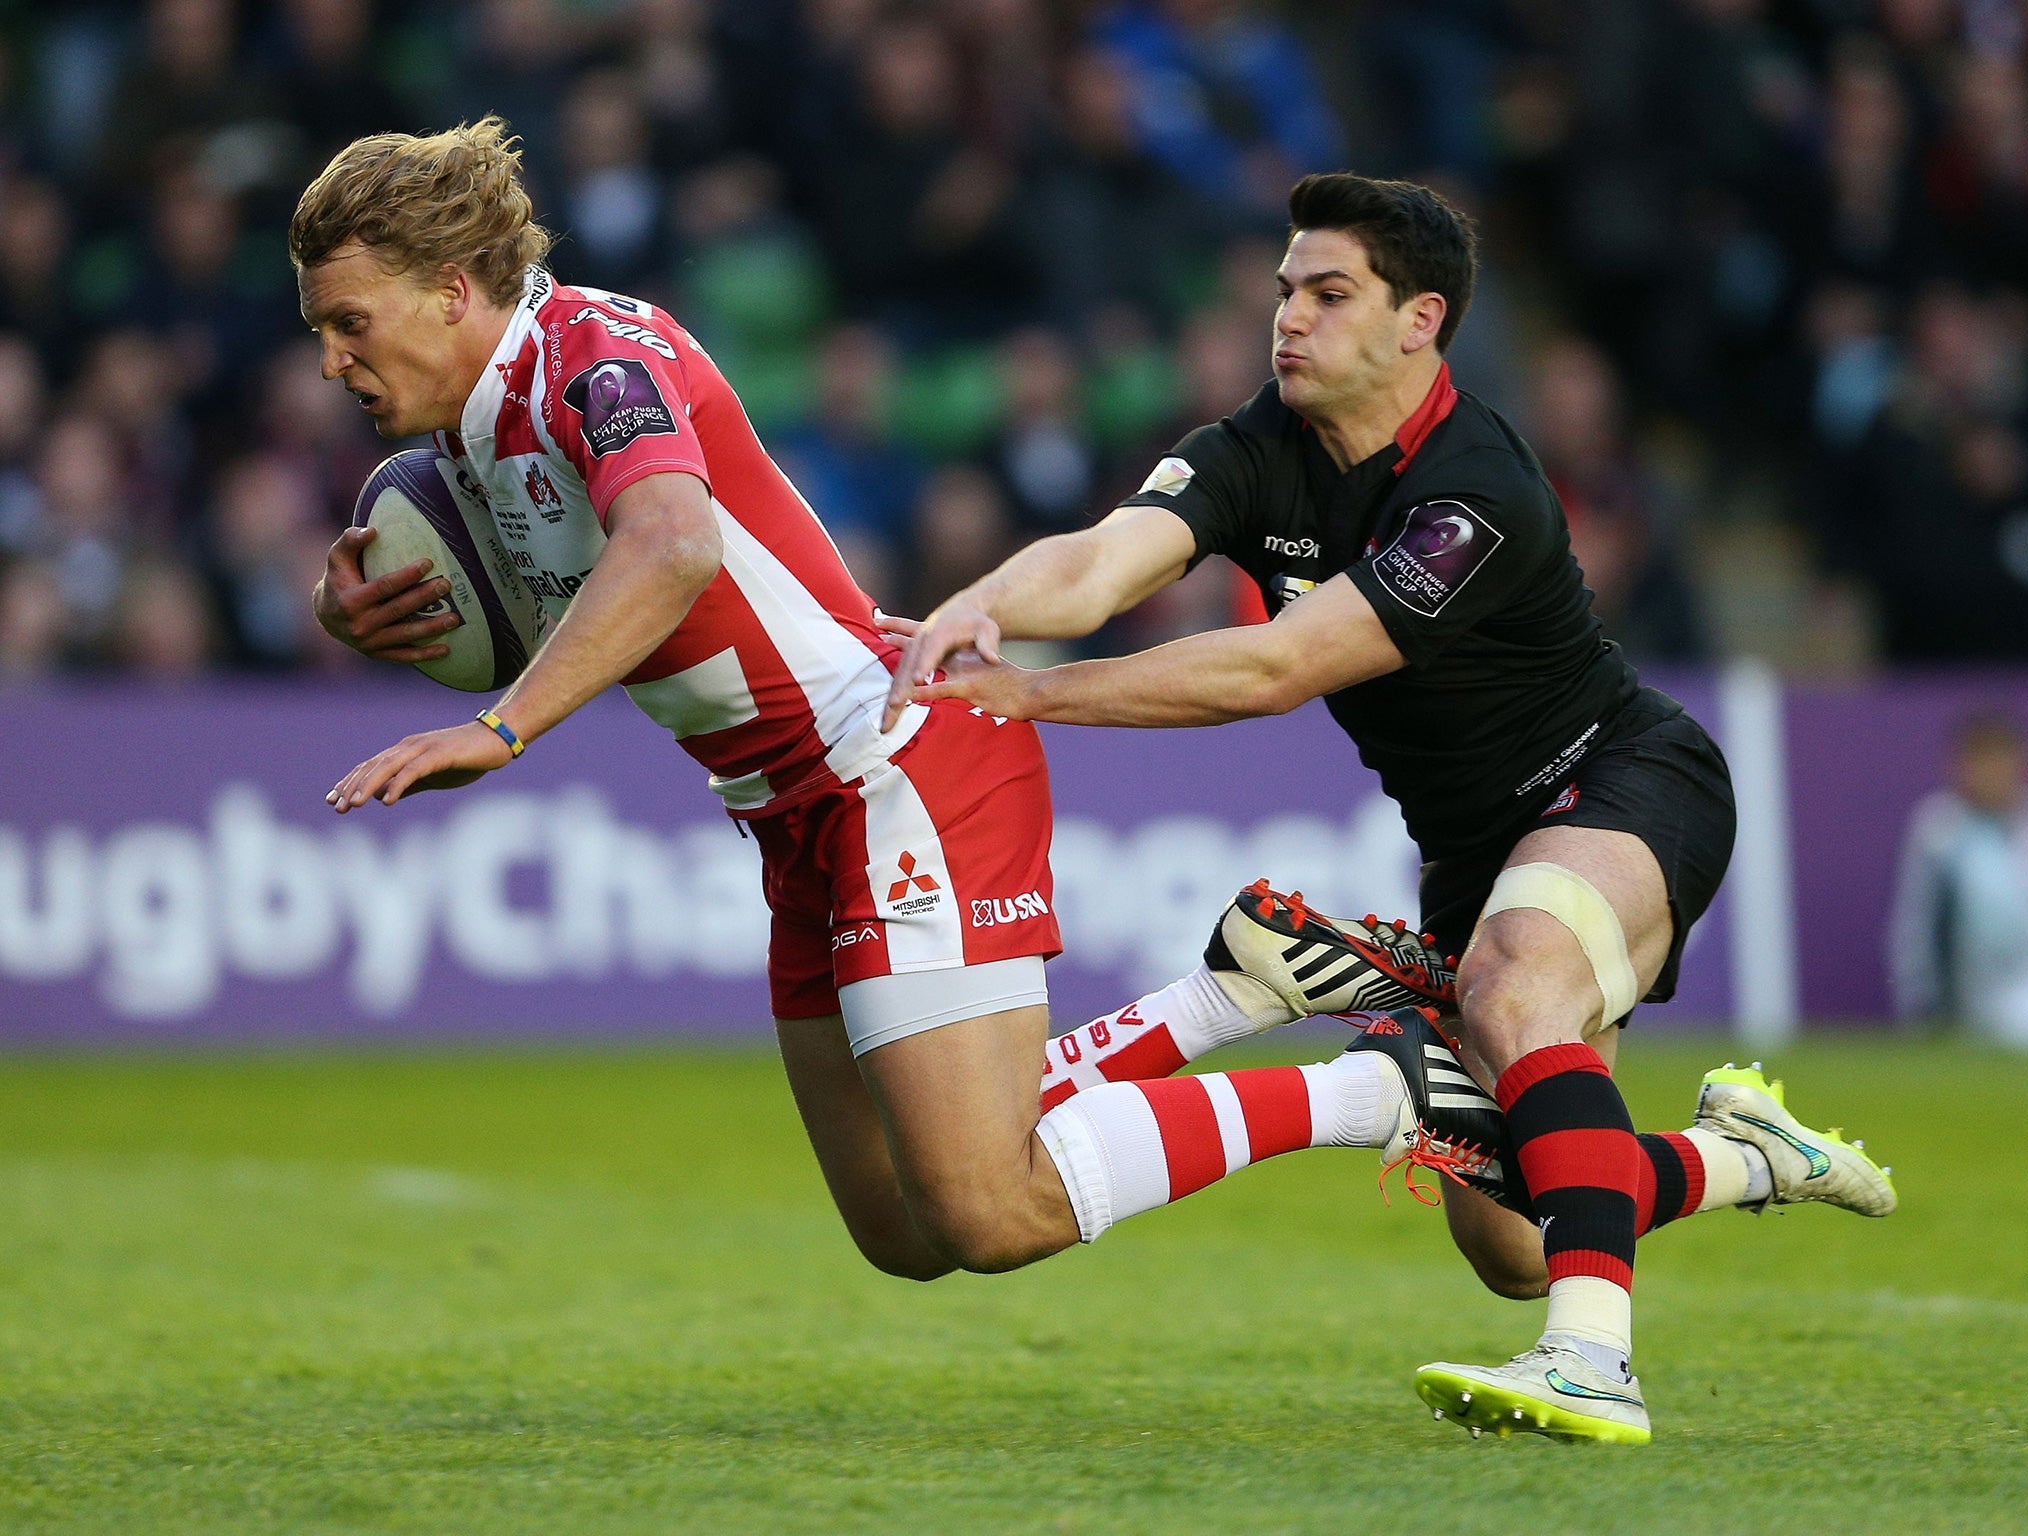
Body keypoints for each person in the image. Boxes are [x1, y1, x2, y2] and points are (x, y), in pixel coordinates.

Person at [293, 122, 1463, 1306]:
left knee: (989, 1209)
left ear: (449, 293)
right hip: (788, 813)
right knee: (906, 1230)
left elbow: (673, 547)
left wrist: (501, 729)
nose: (333, 361)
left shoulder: (592, 359)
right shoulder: (468, 435)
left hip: (893, 764)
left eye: (351, 323)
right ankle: (1232, 994)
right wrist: (361, 619)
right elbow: (575, 598)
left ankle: (1378, 1090)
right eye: (321, 332)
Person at [886, 173, 1897, 1444]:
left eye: (1327, 295)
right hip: (1473, 854)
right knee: (1523, 1236)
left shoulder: (1477, 492)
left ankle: (1592, 1368)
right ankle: (1750, 1155)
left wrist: (1030, 698)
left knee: (1514, 986)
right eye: (1282, 294)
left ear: (1419, 321)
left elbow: (1275, 668)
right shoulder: (1258, 446)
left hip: (1623, 780)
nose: (1287, 321)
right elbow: (1100, 556)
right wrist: (986, 603)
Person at [1890, 712, 2028, 1047]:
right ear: (1961, 766)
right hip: (1970, 994)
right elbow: (1916, 924)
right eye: (1982, 760)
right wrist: (1923, 1001)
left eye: (2002, 759)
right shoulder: (1939, 829)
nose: (1993, 773)